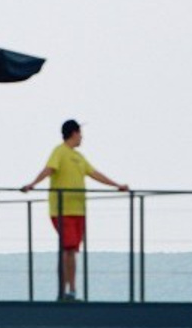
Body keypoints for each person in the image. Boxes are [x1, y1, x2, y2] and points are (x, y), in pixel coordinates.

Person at [21, 119, 127, 301]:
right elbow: (49, 169)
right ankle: (65, 291)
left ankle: (72, 290)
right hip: (62, 209)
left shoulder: (79, 157)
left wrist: (117, 185)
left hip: (79, 210)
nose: (82, 137)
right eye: (80, 133)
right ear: (73, 133)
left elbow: (94, 173)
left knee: (72, 251)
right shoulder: (59, 151)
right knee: (67, 249)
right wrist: (32, 184)